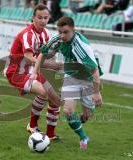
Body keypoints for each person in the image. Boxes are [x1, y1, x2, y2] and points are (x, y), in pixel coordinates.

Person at [31, 16, 103, 149]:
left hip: (88, 78)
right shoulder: (57, 39)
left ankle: (86, 114)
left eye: (66, 32)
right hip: (71, 77)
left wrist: (96, 92)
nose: (62, 36)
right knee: (68, 111)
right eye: (60, 32)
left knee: (87, 115)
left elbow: (94, 71)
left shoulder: (81, 46)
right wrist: (34, 72)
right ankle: (83, 137)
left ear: (73, 30)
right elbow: (43, 54)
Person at [5, 4, 61, 141]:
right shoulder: (28, 34)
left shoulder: (46, 34)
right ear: (33, 18)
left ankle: (50, 134)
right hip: (16, 72)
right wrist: (53, 65)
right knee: (43, 92)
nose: (43, 21)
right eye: (40, 17)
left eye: (46, 18)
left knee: (56, 100)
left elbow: (45, 55)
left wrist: (55, 54)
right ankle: (33, 126)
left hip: (32, 70)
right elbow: (29, 57)